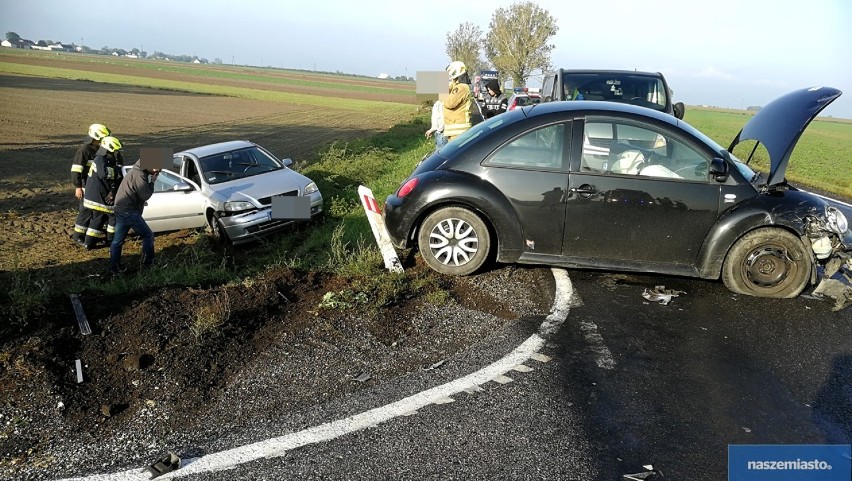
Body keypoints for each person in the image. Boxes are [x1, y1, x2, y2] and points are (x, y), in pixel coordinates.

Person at [109, 160, 160, 275]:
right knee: (148, 235)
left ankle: (114, 267)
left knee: (117, 241)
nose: (156, 171)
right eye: (156, 168)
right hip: (129, 211)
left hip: (121, 209)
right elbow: (145, 195)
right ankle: (148, 264)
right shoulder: (140, 174)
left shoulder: (135, 171)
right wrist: (152, 182)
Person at [70, 123, 111, 246]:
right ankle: (78, 236)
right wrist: (78, 187)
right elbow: (76, 169)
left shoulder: (100, 149)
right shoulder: (84, 150)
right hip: (85, 185)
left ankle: (89, 234)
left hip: (94, 186)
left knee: (95, 212)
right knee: (85, 211)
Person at [81, 136, 123, 249]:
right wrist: (117, 171)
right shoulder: (101, 159)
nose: (117, 153)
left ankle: (89, 243)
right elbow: (104, 175)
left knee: (98, 220)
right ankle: (108, 240)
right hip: (98, 197)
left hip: (96, 196)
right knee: (110, 217)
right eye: (116, 151)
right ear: (110, 149)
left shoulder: (103, 158)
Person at [442, 61, 473, 141]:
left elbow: (449, 103)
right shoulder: (459, 87)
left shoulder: (461, 88)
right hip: (455, 130)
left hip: (459, 131)